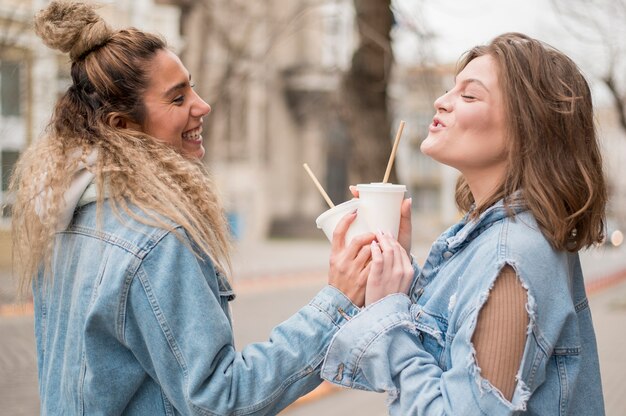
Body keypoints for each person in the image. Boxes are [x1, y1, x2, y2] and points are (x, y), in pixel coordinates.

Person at [10, 1, 385, 414]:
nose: (202, 105)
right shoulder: (154, 241)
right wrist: (338, 301)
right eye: (178, 98)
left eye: (192, 86)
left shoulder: (64, 218)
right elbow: (221, 398)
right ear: (122, 126)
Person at [320, 32, 607, 415]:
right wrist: (397, 273)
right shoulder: (480, 236)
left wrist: (388, 310)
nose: (441, 101)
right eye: (451, 89)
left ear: (528, 128)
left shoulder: (511, 255)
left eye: (469, 96)